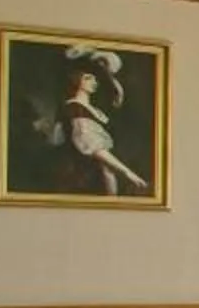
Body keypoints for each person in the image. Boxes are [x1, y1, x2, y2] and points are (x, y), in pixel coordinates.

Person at [39, 46, 150, 197]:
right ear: (76, 79)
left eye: (95, 78)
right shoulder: (74, 108)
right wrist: (128, 173)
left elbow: (106, 164)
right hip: (82, 179)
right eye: (88, 78)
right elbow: (94, 148)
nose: (94, 82)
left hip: (104, 179)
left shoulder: (95, 110)